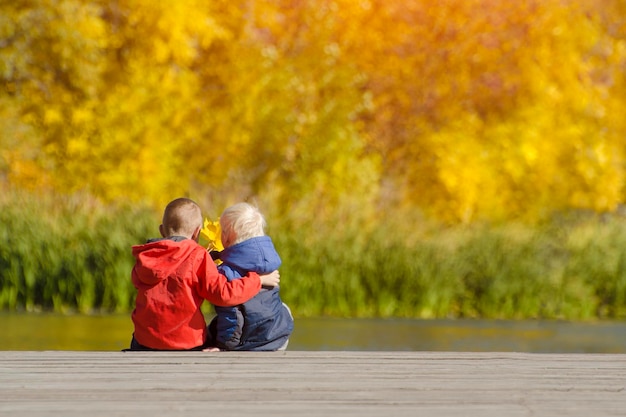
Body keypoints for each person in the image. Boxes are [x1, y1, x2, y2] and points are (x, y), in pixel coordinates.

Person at [128, 197, 280, 351]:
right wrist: (257, 280)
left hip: (144, 341)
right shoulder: (198, 256)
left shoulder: (146, 256)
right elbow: (223, 294)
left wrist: (209, 258)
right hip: (185, 343)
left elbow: (156, 274)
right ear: (197, 231)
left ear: (162, 230)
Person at [207, 202, 294, 351]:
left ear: (228, 237)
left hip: (248, 342)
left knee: (209, 330)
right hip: (278, 336)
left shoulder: (227, 274)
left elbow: (232, 317)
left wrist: (223, 346)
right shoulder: (268, 261)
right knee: (281, 306)